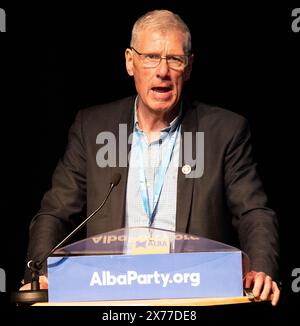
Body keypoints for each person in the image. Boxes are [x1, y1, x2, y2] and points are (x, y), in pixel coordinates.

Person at [21, 9, 280, 305]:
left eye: (175, 59)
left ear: (189, 67)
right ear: (130, 62)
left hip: (193, 298)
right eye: (151, 57)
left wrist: (261, 267)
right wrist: (40, 271)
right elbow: (55, 212)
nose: (163, 71)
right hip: (110, 296)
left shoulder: (225, 132)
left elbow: (253, 212)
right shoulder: (93, 128)